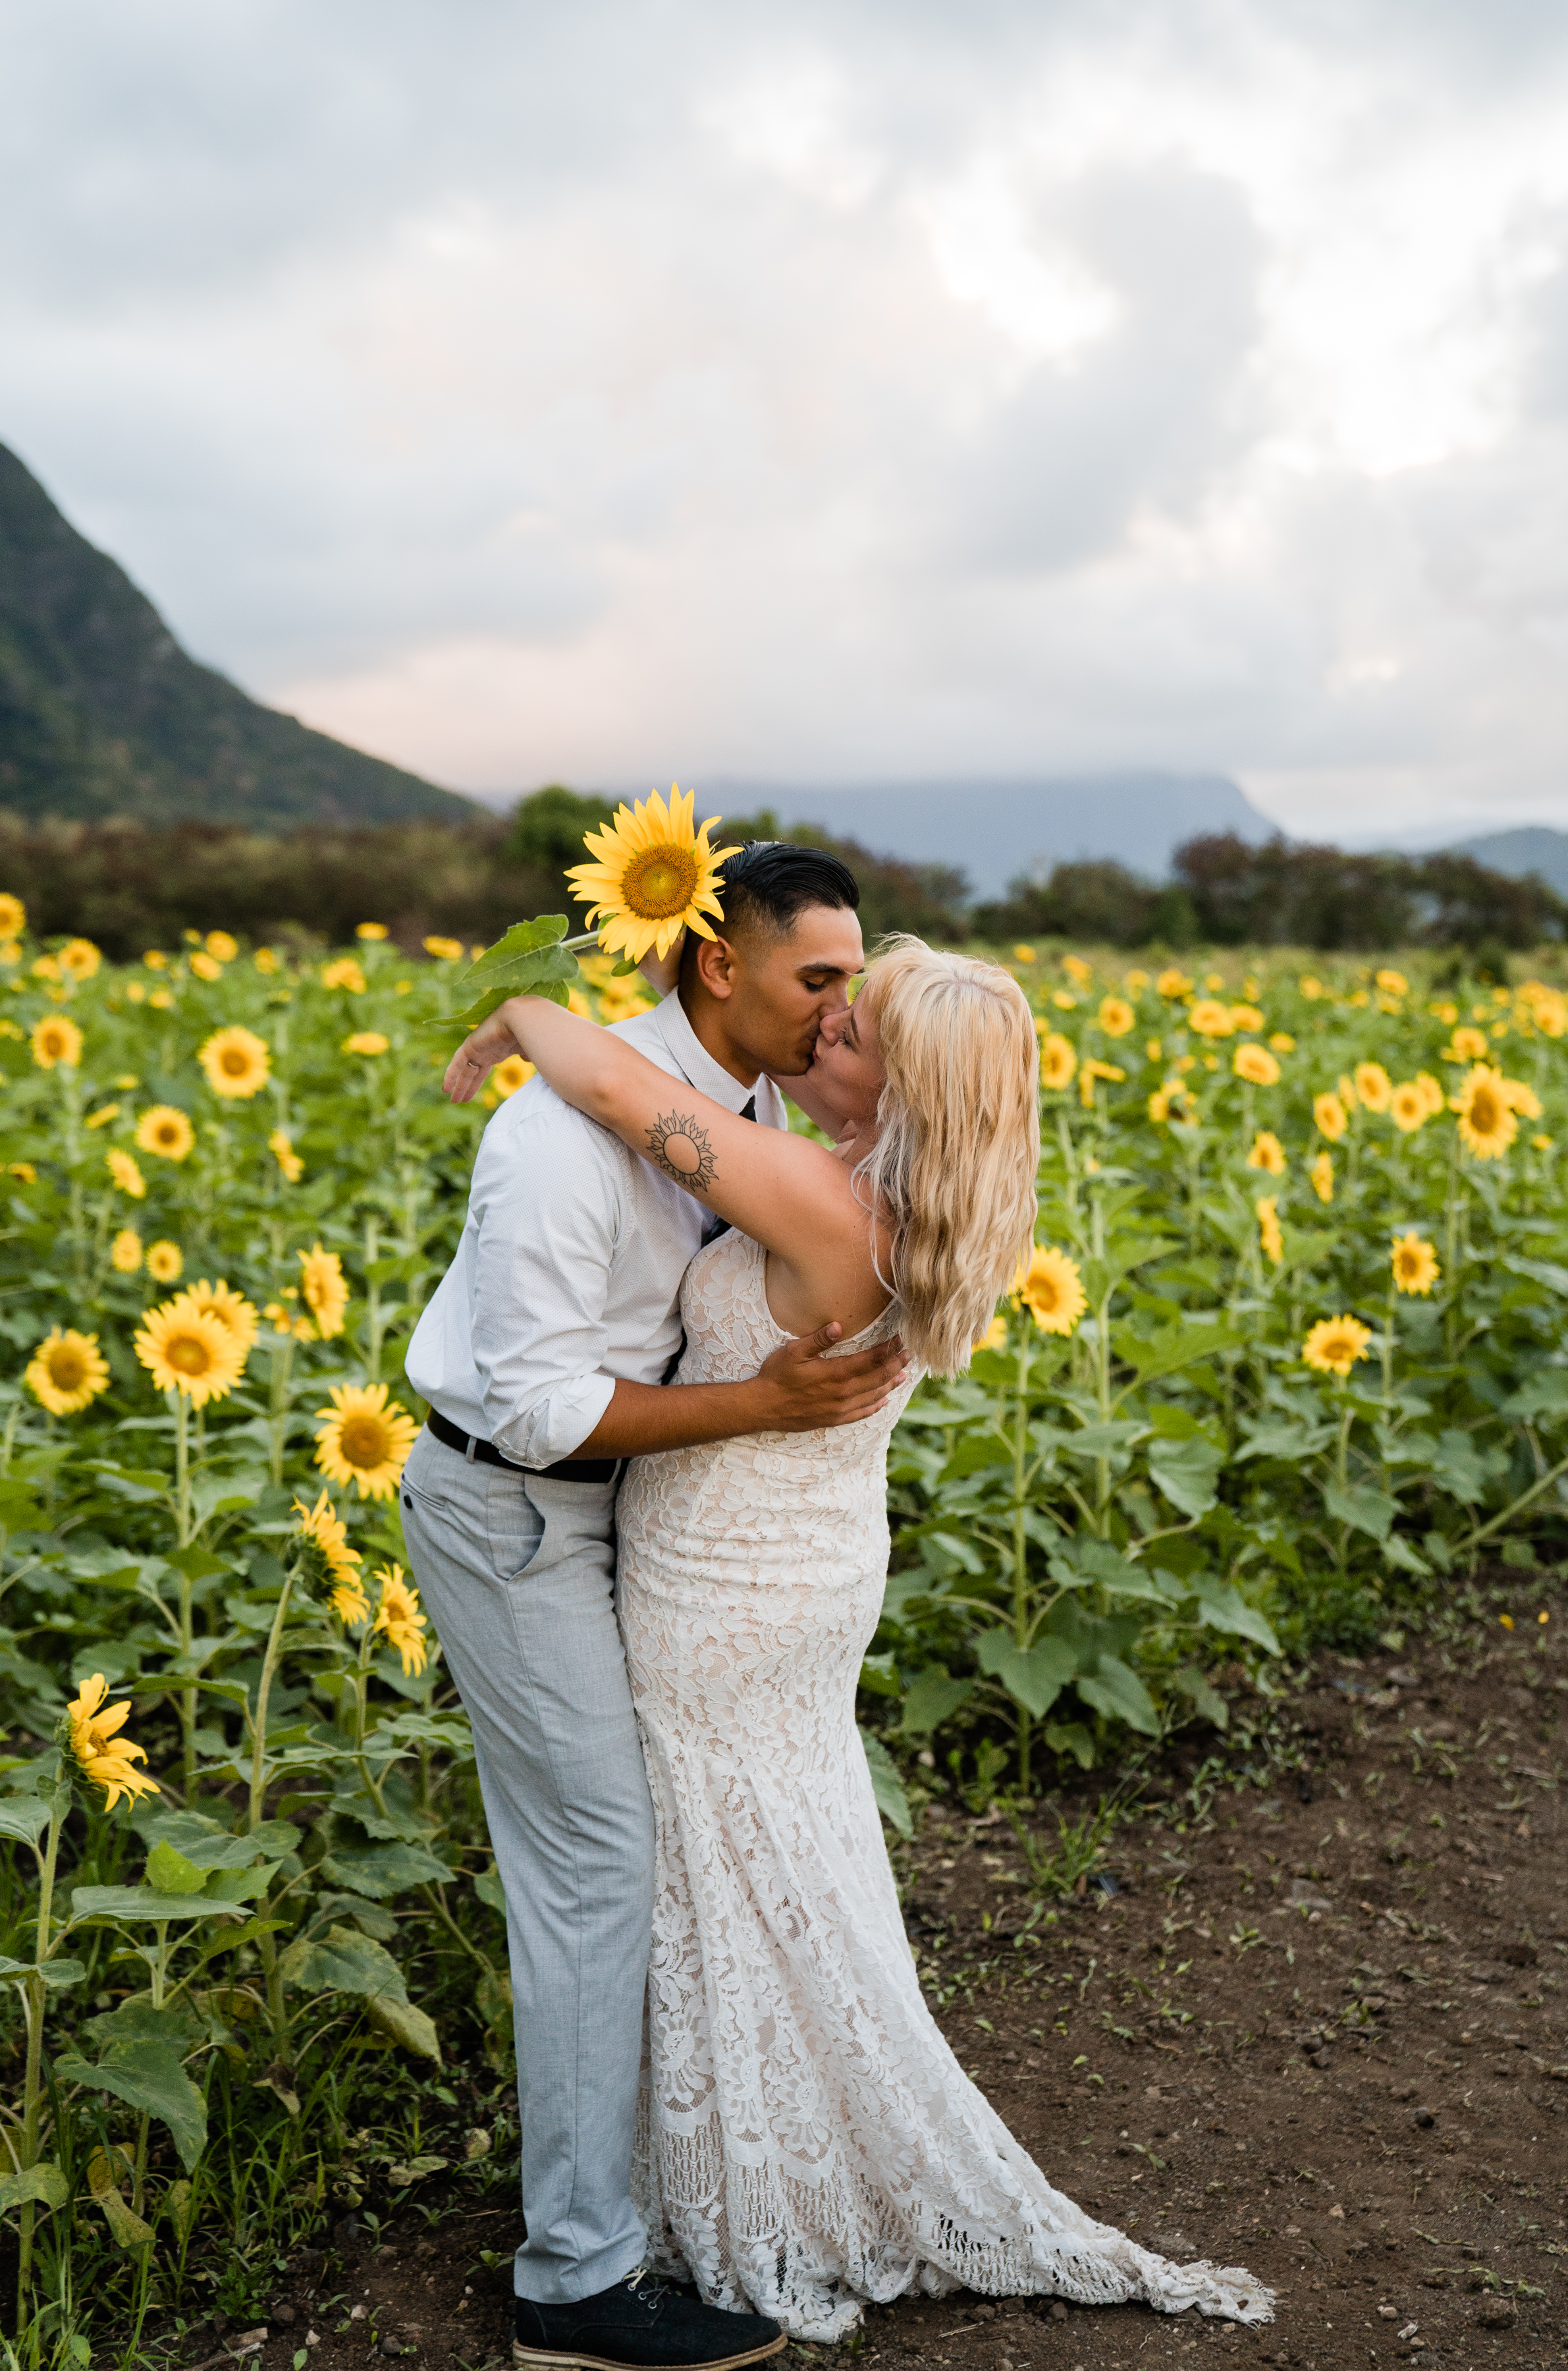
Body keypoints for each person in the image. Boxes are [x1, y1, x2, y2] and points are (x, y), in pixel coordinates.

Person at [447, 932, 1275, 2352]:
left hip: (722, 1582)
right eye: (827, 1003)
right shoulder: (931, 1214)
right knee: (781, 1861)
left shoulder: (820, 1197)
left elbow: (602, 1074)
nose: (824, 1029)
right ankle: (756, 2151)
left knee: (707, 1867)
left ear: (903, 1090)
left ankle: (725, 2189)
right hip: (806, 1571)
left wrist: (522, 1003)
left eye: (855, 1029)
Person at [401, 843, 909, 2371]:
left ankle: (665, 2183)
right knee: (597, 1860)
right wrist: (762, 1405)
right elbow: (544, 1408)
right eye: (818, 978)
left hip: (629, 1516)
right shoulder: (558, 1142)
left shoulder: (752, 1111)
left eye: (853, 983)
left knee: (633, 1841)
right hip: (513, 1510)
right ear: (715, 965)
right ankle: (572, 2279)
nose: (840, 1011)